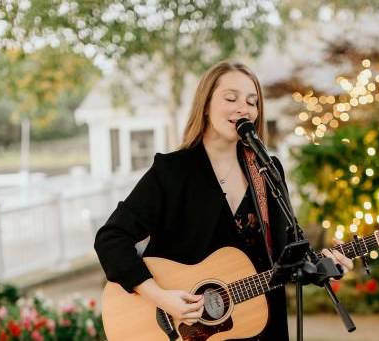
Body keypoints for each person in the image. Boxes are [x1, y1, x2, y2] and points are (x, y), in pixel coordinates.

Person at [94, 61, 354, 340]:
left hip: (262, 325)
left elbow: (286, 255)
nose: (244, 108)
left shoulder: (266, 170)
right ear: (205, 105)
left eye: (252, 102)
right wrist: (160, 297)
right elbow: (111, 238)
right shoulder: (173, 172)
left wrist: (323, 265)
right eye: (231, 98)